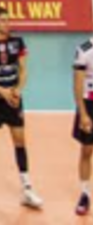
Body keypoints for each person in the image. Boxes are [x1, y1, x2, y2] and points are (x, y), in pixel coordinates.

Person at [0, 8, 42, 208]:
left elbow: (23, 70)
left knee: (20, 141)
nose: (7, 24)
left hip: (12, 100)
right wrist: (1, 91)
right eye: (3, 20)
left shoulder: (17, 42)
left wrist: (17, 90)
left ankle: (27, 189)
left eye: (8, 20)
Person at [74, 34, 93, 214]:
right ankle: (85, 194)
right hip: (90, 103)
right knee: (87, 150)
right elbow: (78, 84)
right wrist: (83, 113)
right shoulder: (85, 50)